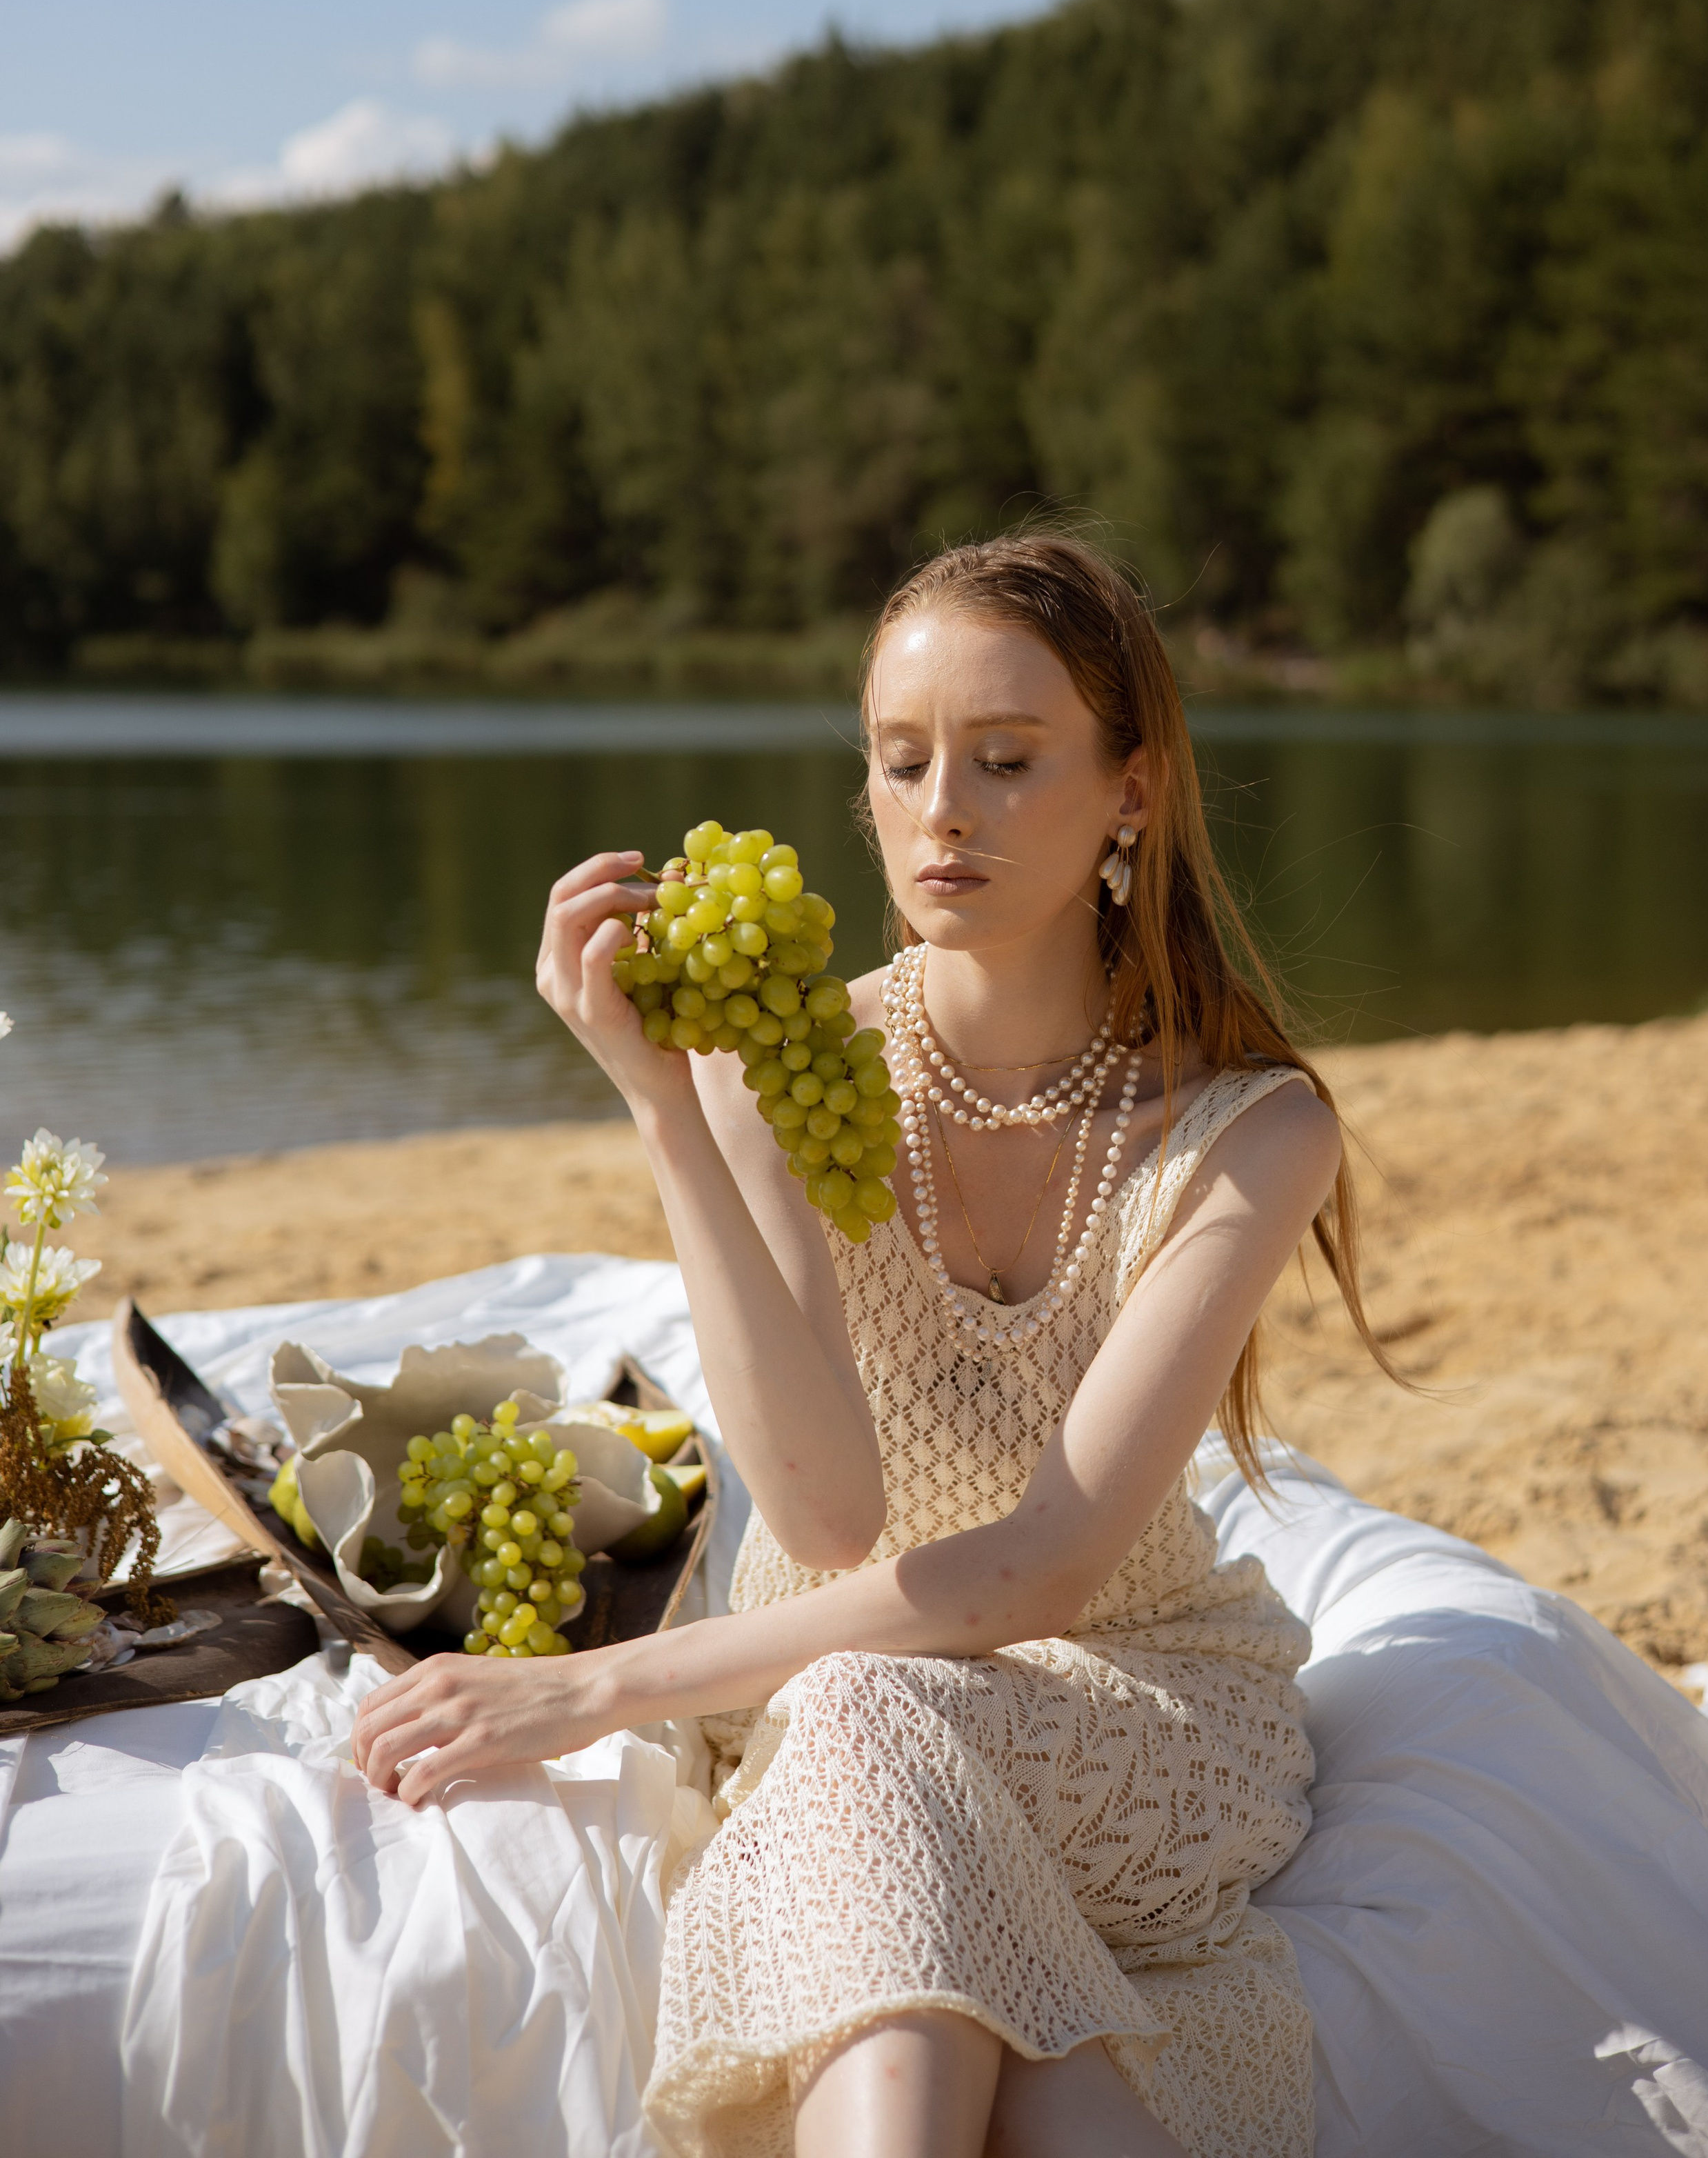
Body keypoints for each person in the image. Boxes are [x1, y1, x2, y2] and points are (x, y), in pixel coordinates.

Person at [353, 532, 1401, 2158]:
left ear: (1129, 790)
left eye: (1004, 758)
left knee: (863, 1719)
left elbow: (1042, 1571)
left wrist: (588, 1690)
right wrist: (667, 1108)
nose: (939, 812)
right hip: (827, 1683)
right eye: (899, 762)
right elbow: (832, 1515)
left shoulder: (1245, 1134)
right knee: (882, 1762)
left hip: (1130, 1704)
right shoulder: (796, 1062)